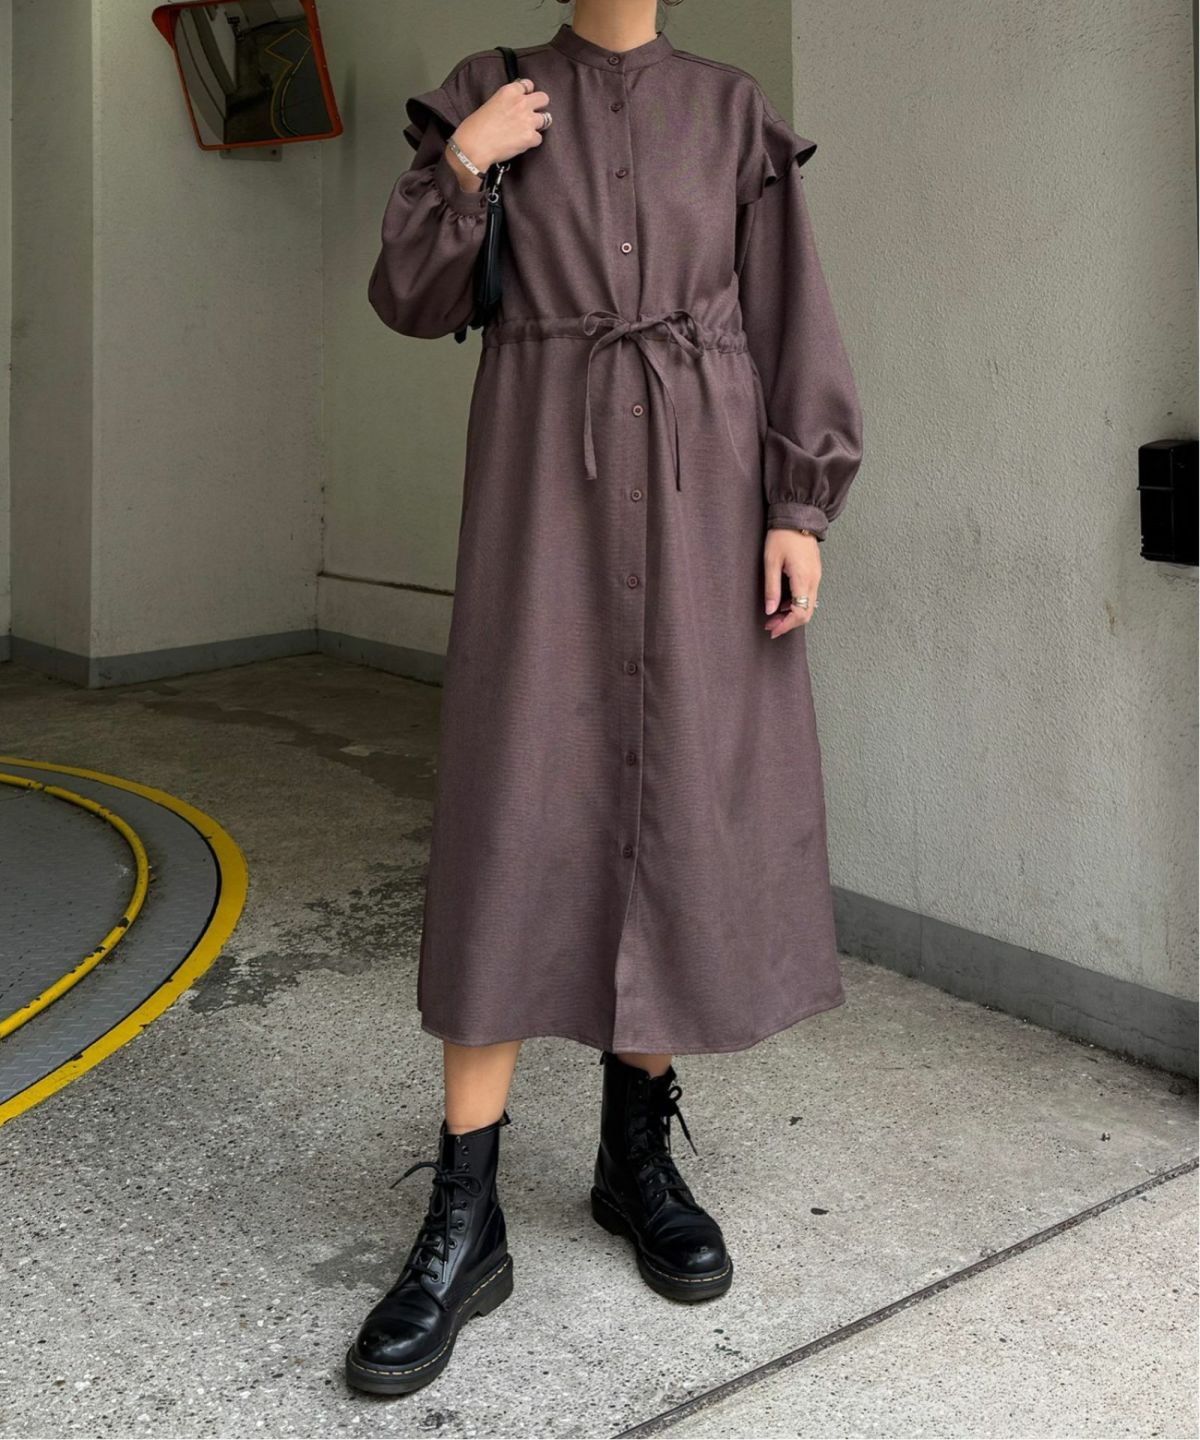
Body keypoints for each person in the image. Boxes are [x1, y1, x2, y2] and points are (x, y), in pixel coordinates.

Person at [346, 0, 863, 1396]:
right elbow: (412, 297)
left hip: (704, 500)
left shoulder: (734, 112)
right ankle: (466, 1211)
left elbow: (790, 315)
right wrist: (465, 163)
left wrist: (799, 505)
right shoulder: (491, 88)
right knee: (513, 813)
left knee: (675, 803)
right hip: (544, 505)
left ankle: (636, 1157)